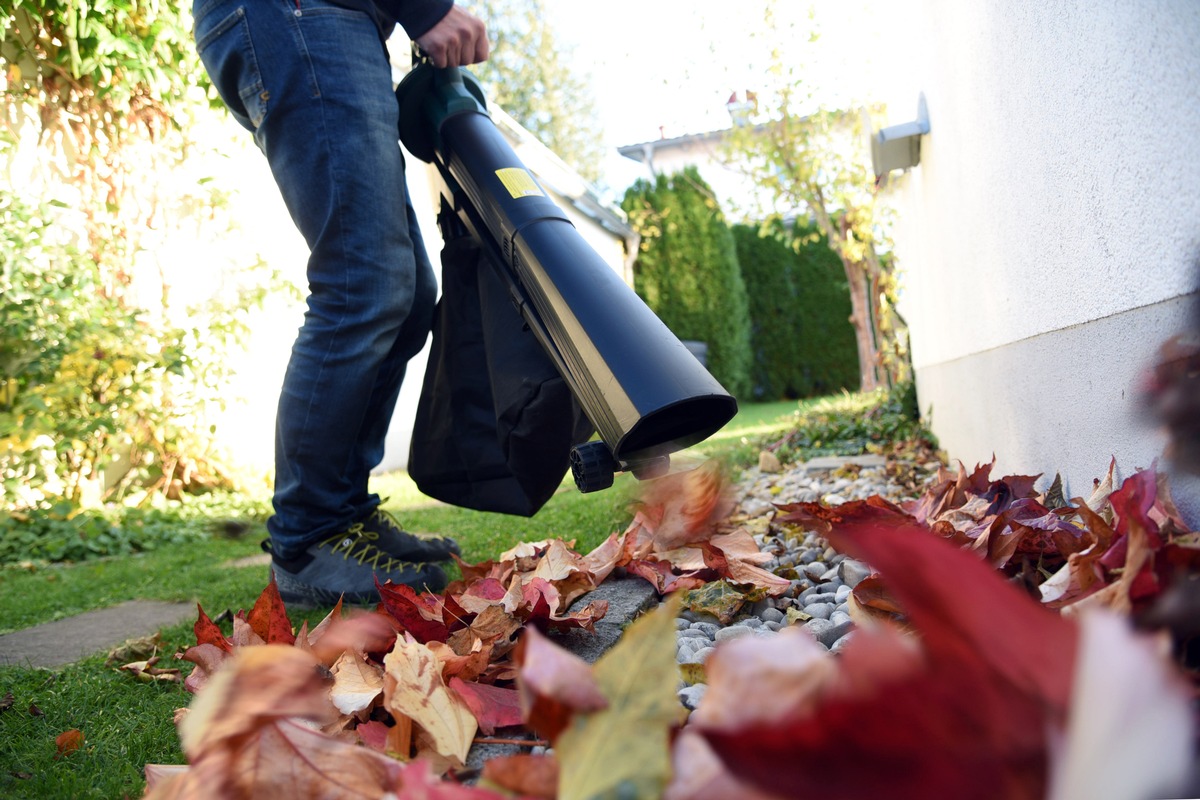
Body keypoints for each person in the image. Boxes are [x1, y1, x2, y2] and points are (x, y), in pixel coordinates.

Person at [191, 0, 489, 607]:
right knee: (362, 285)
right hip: (297, 13)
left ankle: (344, 517)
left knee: (404, 297)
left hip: (328, 19)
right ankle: (306, 541)